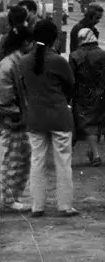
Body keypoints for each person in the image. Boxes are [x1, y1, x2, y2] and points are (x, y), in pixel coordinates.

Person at [21, 18, 78, 218]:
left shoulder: (24, 61)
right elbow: (71, 86)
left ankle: (37, 206)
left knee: (37, 161)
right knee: (63, 161)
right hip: (59, 116)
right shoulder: (58, 61)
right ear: (55, 39)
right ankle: (65, 205)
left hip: (35, 116)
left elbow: (24, 88)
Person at [0, 7, 33, 212]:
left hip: (17, 119)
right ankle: (8, 198)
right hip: (12, 121)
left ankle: (12, 196)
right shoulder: (8, 65)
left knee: (20, 158)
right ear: (24, 43)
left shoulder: (15, 62)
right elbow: (4, 99)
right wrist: (16, 116)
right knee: (12, 159)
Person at [69, 28, 105, 166]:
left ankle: (95, 154)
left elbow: (71, 78)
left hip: (83, 94)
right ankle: (92, 151)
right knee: (98, 122)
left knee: (88, 124)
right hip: (102, 94)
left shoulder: (75, 55)